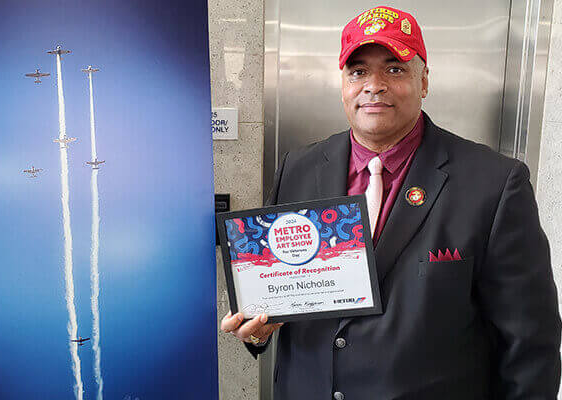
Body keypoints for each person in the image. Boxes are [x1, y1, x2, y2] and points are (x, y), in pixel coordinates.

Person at [221, 6, 561, 399]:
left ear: (424, 80)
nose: (374, 86)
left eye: (395, 69)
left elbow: (530, 344)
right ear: (343, 83)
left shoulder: (494, 183)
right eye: (358, 71)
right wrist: (259, 330)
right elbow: (277, 295)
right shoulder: (297, 168)